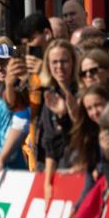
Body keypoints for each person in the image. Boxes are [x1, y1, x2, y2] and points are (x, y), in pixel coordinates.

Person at [37, 41, 79, 202]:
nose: (59, 66)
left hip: (81, 164)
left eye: (64, 61)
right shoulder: (50, 94)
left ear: (73, 63)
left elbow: (87, 132)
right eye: (54, 62)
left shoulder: (83, 89)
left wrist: (69, 113)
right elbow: (50, 141)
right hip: (59, 166)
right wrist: (48, 182)